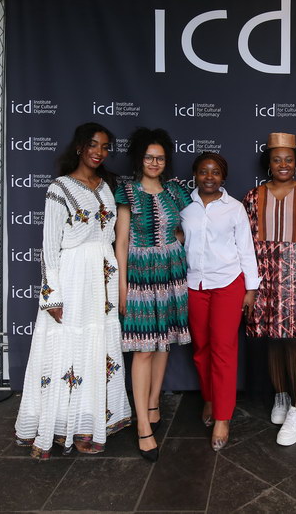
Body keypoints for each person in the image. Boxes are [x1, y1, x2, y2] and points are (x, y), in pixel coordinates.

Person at [14, 122, 131, 459]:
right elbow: (49, 247)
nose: (99, 152)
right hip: (74, 277)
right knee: (69, 349)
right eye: (93, 145)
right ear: (80, 147)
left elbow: (115, 235)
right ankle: (65, 427)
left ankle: (89, 424)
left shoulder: (108, 186)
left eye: (105, 147)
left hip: (104, 276)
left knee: (97, 349)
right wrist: (52, 295)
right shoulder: (60, 188)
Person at [243, 132, 296, 446]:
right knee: (272, 339)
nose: (283, 164)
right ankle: (280, 396)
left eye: (288, 159)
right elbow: (244, 241)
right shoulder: (253, 196)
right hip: (264, 275)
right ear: (268, 162)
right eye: (277, 159)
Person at [116, 127, 192, 462]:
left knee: (164, 344)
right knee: (144, 349)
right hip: (140, 275)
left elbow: (189, 228)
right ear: (139, 158)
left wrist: (175, 244)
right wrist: (122, 287)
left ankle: (153, 402)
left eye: (160, 158)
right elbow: (120, 242)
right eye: (149, 157)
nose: (154, 163)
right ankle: (143, 425)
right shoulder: (126, 191)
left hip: (172, 273)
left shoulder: (175, 191)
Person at [180, 152, 260, 451]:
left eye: (215, 172)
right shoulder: (184, 206)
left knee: (223, 350)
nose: (209, 177)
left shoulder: (235, 208)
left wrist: (251, 290)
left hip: (228, 284)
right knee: (201, 349)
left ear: (223, 177)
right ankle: (210, 399)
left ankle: (223, 417)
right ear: (195, 175)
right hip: (194, 285)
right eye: (204, 171)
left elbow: (246, 250)